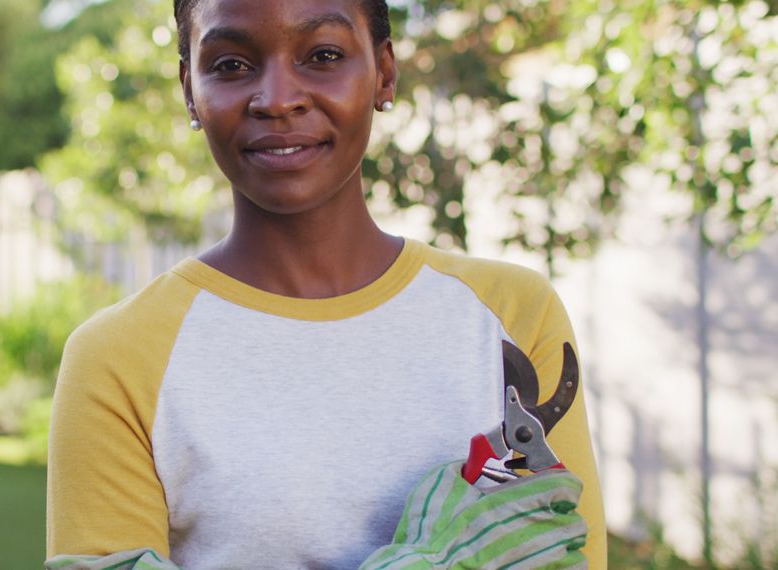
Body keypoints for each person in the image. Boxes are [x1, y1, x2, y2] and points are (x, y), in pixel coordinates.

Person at [46, 0, 607, 568]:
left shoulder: (511, 315)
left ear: (383, 72)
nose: (277, 98)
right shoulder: (117, 358)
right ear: (190, 89)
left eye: (324, 55)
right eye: (232, 66)